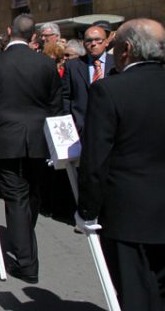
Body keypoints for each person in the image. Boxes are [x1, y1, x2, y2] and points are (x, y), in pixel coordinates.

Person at [77, 18, 165, 311]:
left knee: (135, 294)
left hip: (128, 215)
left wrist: (87, 210)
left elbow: (95, 159)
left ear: (126, 49)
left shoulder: (109, 90)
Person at [0, 15, 62, 284]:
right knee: (32, 196)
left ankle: (26, 262)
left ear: (10, 31)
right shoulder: (46, 63)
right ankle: (25, 245)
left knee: (17, 199)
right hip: (39, 141)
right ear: (34, 35)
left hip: (4, 140)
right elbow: (56, 107)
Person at [62, 25, 114, 135]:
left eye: (98, 40)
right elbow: (65, 97)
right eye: (89, 40)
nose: (93, 43)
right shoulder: (72, 66)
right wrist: (71, 123)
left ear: (106, 42)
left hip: (111, 127)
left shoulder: (116, 64)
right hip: (81, 129)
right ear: (84, 43)